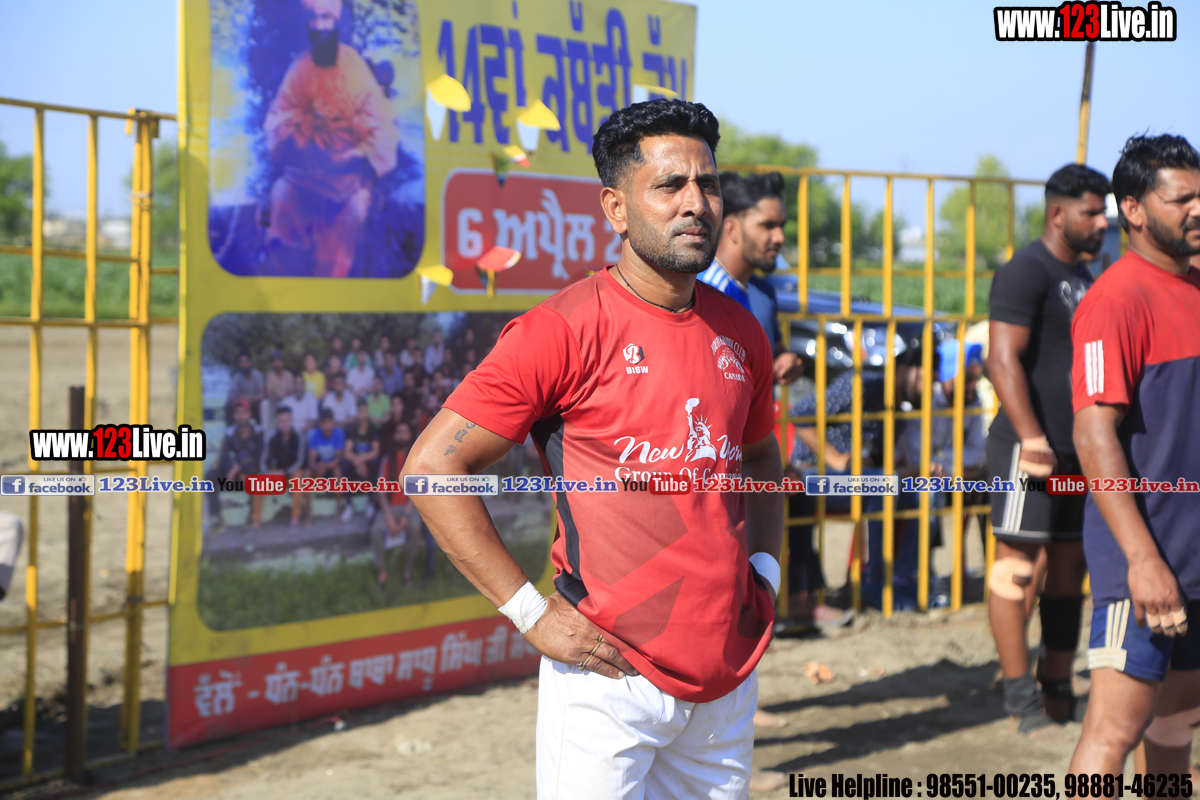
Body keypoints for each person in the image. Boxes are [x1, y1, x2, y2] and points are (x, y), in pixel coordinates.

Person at [403, 99, 782, 799]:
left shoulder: (741, 331)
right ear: (615, 208)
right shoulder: (561, 330)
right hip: (606, 679)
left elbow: (760, 456)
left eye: (707, 184)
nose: (695, 203)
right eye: (669, 185)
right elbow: (432, 468)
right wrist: (529, 613)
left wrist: (766, 572)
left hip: (725, 679)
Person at [1067, 134, 1200, 777]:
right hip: (1142, 563)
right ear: (1134, 210)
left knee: (1175, 728)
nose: (1198, 209)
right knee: (1113, 734)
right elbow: (1093, 436)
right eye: (1182, 199)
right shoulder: (1114, 301)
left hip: (1195, 559)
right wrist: (1143, 561)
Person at [986, 162, 1111, 735]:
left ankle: (1057, 688)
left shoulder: (1087, 276)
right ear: (1058, 213)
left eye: (1105, 211)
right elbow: (1001, 358)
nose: (1102, 222)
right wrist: (1032, 436)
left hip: (1078, 452)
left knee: (1068, 570)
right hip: (1027, 449)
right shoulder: (1025, 270)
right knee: (1015, 569)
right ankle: (1021, 699)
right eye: (1092, 211)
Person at [789, 344, 935, 616]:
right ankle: (874, 581)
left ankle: (902, 579)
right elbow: (800, 415)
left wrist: (916, 471)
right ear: (902, 371)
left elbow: (879, 468)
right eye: (926, 379)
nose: (930, 389)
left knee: (924, 492)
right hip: (811, 475)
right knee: (884, 485)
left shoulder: (898, 414)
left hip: (858, 482)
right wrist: (835, 458)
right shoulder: (859, 384)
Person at [262, 0, 399, 278]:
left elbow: (383, 132)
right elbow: (277, 120)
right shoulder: (300, 69)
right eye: (313, 18)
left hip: (348, 184)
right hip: (306, 180)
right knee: (280, 193)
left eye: (326, 18)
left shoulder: (356, 70)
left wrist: (350, 158)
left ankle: (334, 280)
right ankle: (281, 279)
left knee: (356, 210)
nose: (320, 26)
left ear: (338, 22)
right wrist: (303, 141)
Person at [699, 171, 805, 384]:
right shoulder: (702, 290)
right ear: (732, 229)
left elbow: (774, 350)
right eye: (768, 225)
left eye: (781, 226)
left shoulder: (764, 292)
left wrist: (785, 360)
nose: (780, 237)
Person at [372, 423, 431, 588]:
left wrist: (405, 515)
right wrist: (389, 517)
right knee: (376, 530)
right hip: (389, 507)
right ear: (394, 436)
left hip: (408, 506)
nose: (402, 436)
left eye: (405, 432)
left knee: (414, 527)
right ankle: (382, 570)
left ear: (409, 436)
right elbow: (381, 491)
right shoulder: (386, 459)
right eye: (399, 432)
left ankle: (407, 570)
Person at [206, 401, 265, 533]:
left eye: (244, 413)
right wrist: (235, 468)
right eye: (238, 413)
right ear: (234, 415)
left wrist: (239, 468)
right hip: (234, 475)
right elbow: (223, 458)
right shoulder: (231, 432)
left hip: (249, 472)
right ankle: (216, 517)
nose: (241, 416)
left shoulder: (258, 431)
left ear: (249, 414)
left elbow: (257, 457)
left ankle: (251, 517)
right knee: (210, 476)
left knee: (255, 477)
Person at [266, 405, 306, 528]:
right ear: (277, 423)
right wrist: (268, 472)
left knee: (297, 477)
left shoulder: (298, 436)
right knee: (257, 478)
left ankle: (295, 517)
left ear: (291, 421)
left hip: (291, 471)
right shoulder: (271, 437)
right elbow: (264, 459)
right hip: (276, 472)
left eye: (286, 421)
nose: (284, 425)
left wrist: (284, 472)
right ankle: (256, 520)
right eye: (281, 421)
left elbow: (300, 461)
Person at [341, 398, 380, 521]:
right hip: (355, 462)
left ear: (367, 412)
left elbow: (375, 451)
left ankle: (371, 503)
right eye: (359, 411)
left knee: (375, 462)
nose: (362, 414)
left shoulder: (372, 428)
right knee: (345, 464)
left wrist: (361, 460)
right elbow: (347, 452)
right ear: (357, 413)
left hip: (367, 461)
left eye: (364, 411)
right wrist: (358, 462)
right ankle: (349, 504)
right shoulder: (353, 428)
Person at [306, 408, 345, 518]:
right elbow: (311, 459)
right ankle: (308, 512)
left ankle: (338, 509)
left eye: (329, 423)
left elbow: (338, 459)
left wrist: (325, 466)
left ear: (333, 423)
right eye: (324, 423)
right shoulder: (315, 435)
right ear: (321, 424)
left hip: (332, 466)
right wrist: (317, 467)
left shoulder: (339, 433)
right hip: (320, 467)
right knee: (306, 475)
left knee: (337, 473)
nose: (327, 426)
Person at [226, 352, 265, 424]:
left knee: (261, 405)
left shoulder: (257, 375)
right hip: (241, 401)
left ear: (250, 363)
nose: (244, 364)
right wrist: (241, 398)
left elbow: (262, 394)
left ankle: (259, 428)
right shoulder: (237, 376)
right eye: (241, 362)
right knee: (228, 406)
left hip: (254, 402)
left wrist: (251, 398)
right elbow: (231, 393)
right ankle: (231, 429)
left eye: (245, 362)